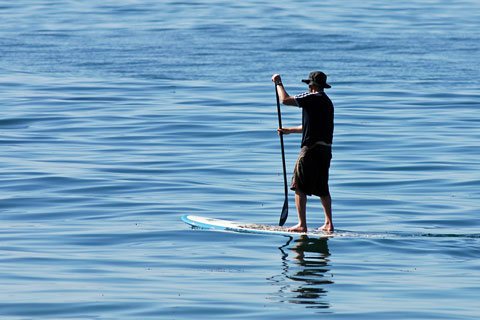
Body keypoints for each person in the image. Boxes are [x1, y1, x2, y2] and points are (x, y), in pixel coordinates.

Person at [272, 71, 334, 232]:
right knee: (322, 188)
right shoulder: (327, 102)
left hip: (310, 150)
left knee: (299, 186)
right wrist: (289, 130)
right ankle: (329, 223)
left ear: (312, 86)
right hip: (325, 150)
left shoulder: (311, 97)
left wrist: (278, 83)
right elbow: (311, 128)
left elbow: (284, 100)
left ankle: (302, 224)